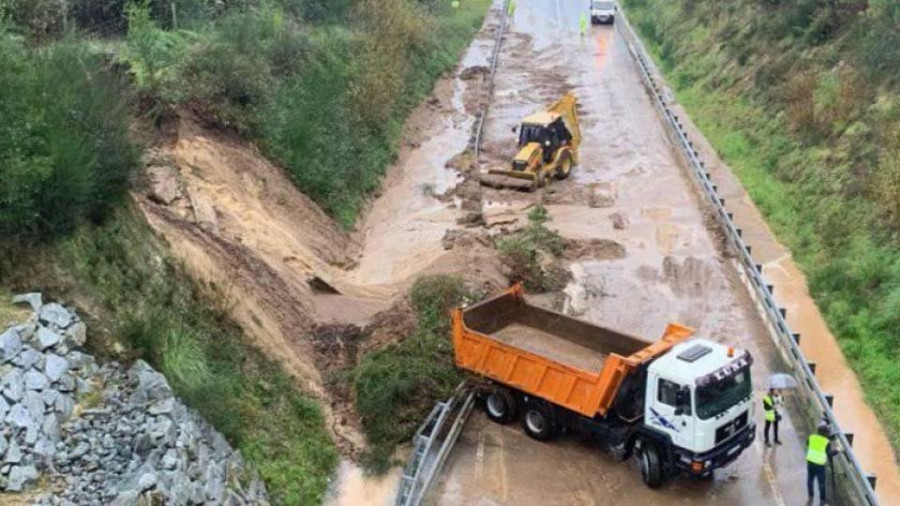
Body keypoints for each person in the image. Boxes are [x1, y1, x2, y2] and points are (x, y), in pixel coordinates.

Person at [807, 422, 840, 504]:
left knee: (810, 480)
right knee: (821, 482)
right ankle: (822, 499)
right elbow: (830, 454)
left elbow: (807, 444)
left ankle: (811, 495)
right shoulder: (826, 442)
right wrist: (838, 450)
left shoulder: (811, 437)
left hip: (810, 462)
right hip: (819, 465)